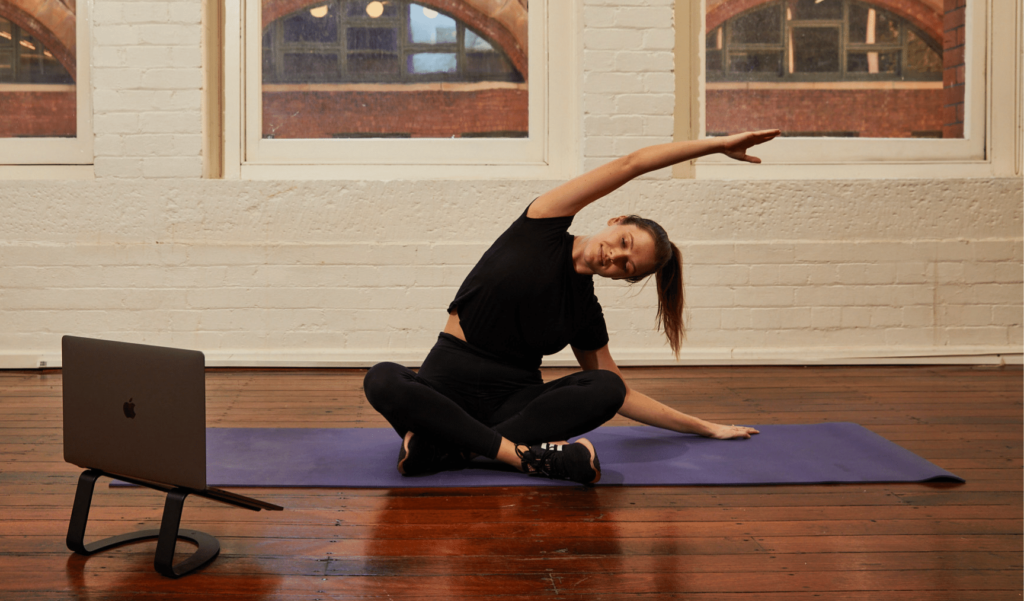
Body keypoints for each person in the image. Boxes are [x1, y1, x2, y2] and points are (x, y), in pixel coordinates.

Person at [364, 129, 780, 485]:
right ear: (616, 221)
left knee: (607, 387)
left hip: (513, 405)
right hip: (443, 389)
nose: (614, 257)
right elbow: (631, 164)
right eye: (623, 243)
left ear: (623, 278)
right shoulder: (543, 222)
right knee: (382, 379)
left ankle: (445, 450)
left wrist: (706, 427)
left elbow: (623, 394)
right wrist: (715, 145)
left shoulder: (584, 310)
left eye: (626, 266)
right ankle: (521, 456)